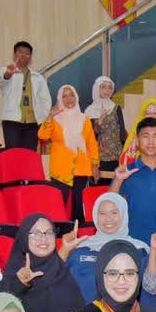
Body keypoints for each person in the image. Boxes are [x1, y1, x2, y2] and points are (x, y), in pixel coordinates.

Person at [67, 193, 153, 305]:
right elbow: (62, 285)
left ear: (123, 214)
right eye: (102, 213)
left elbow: (149, 293)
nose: (108, 218)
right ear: (95, 216)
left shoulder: (140, 250)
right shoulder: (80, 249)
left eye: (114, 213)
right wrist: (65, 250)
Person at [111, 117, 156, 246]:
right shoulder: (127, 171)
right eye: (145, 136)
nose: (151, 142)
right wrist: (118, 179)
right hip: (134, 243)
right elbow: (111, 204)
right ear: (137, 140)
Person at [37, 84, 100, 223]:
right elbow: (43, 136)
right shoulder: (55, 119)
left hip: (81, 167)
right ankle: (58, 229)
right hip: (61, 168)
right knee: (59, 203)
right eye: (64, 96)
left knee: (78, 203)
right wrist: (49, 117)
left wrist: (95, 164)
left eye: (71, 95)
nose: (69, 99)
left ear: (76, 97)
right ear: (60, 99)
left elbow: (91, 143)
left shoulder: (85, 119)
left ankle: (79, 230)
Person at [0, 40, 52, 151]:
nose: (23, 55)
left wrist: (42, 118)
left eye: (27, 53)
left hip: (32, 122)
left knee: (29, 155)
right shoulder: (6, 71)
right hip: (12, 121)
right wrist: (8, 73)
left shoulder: (38, 77)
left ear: (30, 57)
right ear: (14, 55)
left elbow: (46, 100)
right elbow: (3, 81)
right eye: (20, 52)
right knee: (13, 154)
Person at [84, 76, 127, 184]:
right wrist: (100, 121)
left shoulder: (116, 108)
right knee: (99, 186)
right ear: (97, 88)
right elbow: (89, 136)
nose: (107, 90)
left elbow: (122, 132)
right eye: (103, 87)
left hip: (116, 155)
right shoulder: (89, 111)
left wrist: (125, 154)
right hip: (98, 156)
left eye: (109, 88)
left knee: (115, 186)